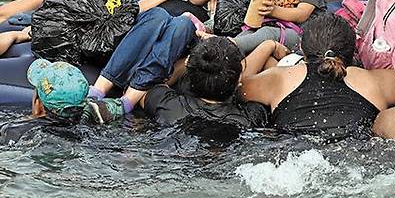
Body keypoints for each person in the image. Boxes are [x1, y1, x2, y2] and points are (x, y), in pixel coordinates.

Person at [239, 13, 395, 140]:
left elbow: (236, 85)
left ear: (302, 51)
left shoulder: (279, 79)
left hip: (292, 159)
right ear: (353, 53)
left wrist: (266, 47)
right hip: (360, 156)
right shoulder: (375, 81)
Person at [27, 37, 269, 130]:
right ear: (238, 78)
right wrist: (269, 46)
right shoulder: (251, 115)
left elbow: (146, 83)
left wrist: (189, 61)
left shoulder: (168, 104)